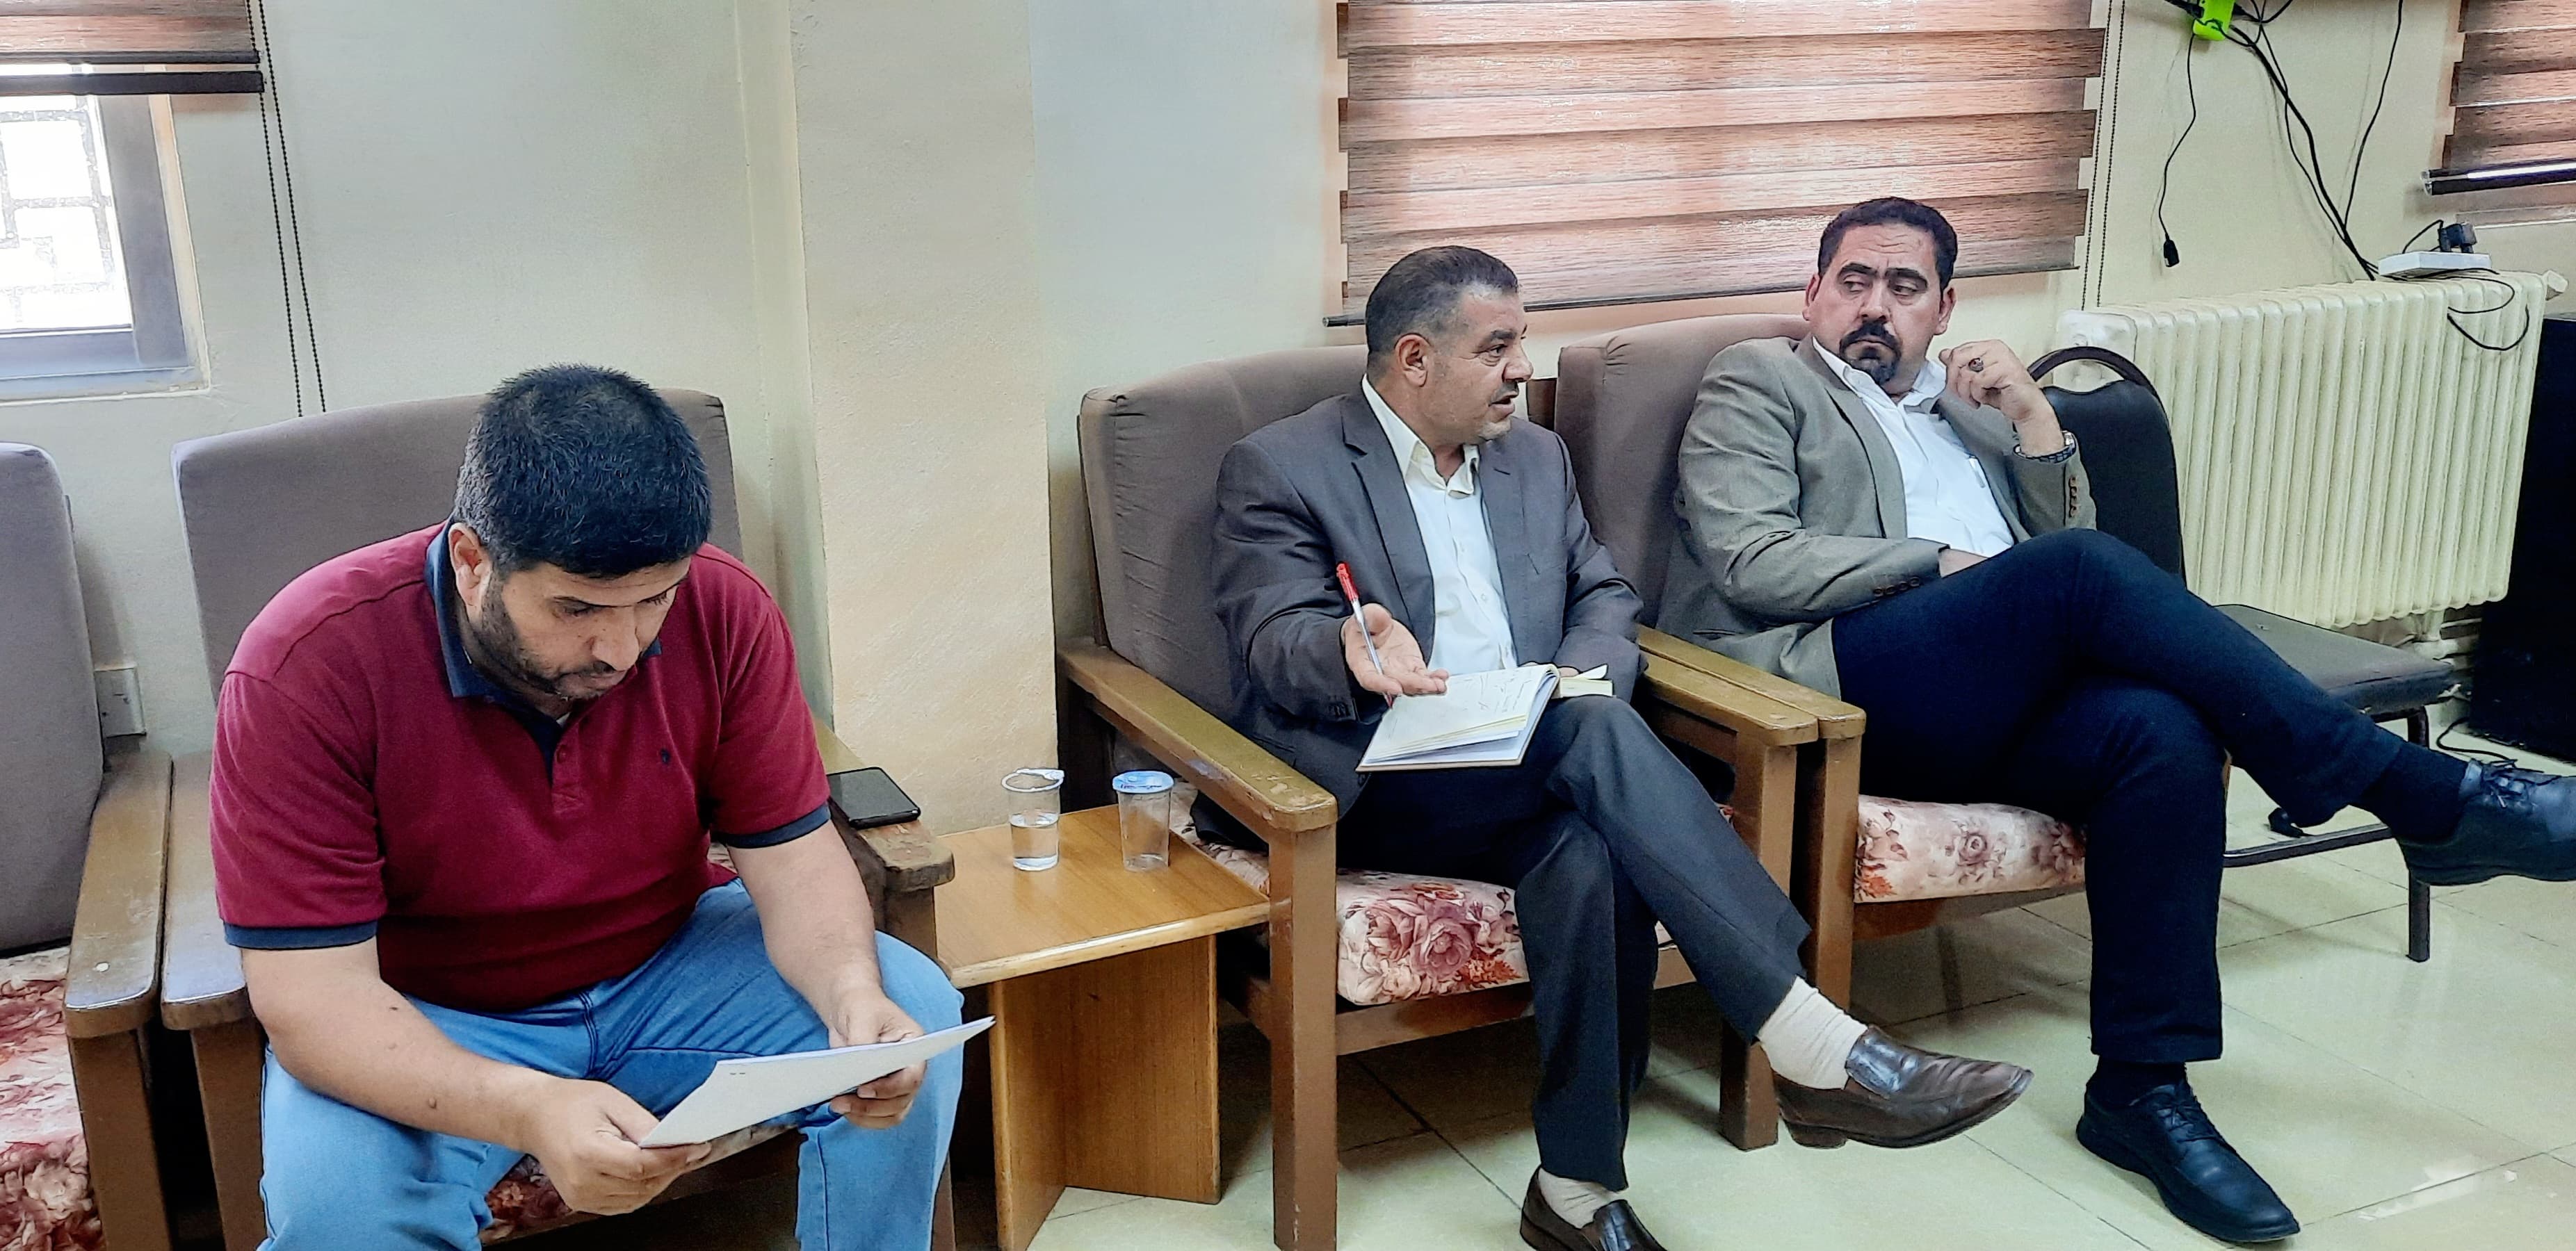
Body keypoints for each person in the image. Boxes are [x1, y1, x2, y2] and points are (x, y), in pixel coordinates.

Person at [1658, 196, 2576, 1244]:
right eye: (1852, 281)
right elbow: (1751, 560)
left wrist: (2036, 422)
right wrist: (1943, 563)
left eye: (1904, 286)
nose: (1874, 305)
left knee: (2160, 734)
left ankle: (2144, 1090)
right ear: (1812, 292)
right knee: (2082, 574)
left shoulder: (1968, 409)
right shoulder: (1761, 379)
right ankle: (2424, 796)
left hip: (1993, 693)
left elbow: (2083, 547)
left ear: (1944, 309)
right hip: (1843, 683)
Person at [1210, 245, 2034, 1251]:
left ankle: (1574, 1187)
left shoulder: (1533, 457)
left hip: (1535, 759)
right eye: (1498, 348)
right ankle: (1807, 1035)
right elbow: (1270, 638)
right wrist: (1346, 647)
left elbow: (1603, 594)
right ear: (1415, 359)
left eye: (1523, 341)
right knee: (1592, 730)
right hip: (1385, 773)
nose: (1522, 368)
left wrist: (1576, 677)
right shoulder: (1283, 464)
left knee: (1589, 852)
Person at [210, 366, 962, 1250]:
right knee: (340, 1219)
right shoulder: (306, 665)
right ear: (473, 562)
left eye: (655, 601)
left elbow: (794, 861)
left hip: (668, 964)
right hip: (429, 1008)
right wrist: (530, 1108)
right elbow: (314, 1002)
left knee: (906, 1021)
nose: (621, 649)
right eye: (577, 608)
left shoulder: (725, 608)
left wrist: (850, 993)